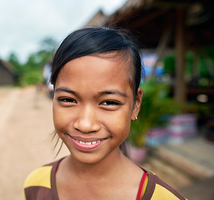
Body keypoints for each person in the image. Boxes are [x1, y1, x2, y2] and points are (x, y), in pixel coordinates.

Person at [23, 27, 186, 200]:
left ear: (136, 104)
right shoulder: (35, 186)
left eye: (109, 102)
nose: (85, 124)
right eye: (68, 99)